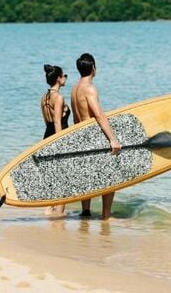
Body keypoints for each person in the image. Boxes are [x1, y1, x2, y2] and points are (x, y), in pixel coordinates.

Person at [70, 53, 121, 220]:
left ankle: (86, 212)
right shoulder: (89, 89)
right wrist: (112, 139)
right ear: (93, 68)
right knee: (110, 177)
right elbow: (99, 115)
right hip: (93, 137)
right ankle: (106, 216)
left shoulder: (74, 89)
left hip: (80, 136)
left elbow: (76, 118)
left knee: (87, 176)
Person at [40, 64, 70, 216]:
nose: (65, 78)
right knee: (63, 179)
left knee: (52, 177)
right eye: (64, 76)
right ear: (58, 79)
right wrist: (61, 143)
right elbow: (58, 121)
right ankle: (59, 213)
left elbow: (48, 122)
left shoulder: (44, 97)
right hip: (58, 137)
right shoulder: (58, 97)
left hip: (47, 136)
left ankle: (49, 209)